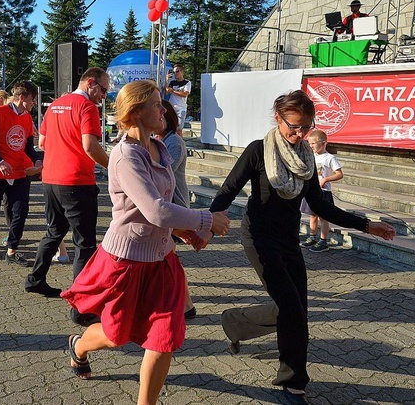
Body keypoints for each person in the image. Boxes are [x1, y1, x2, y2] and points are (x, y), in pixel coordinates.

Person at [208, 90, 395, 404]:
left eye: (306, 128)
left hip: (288, 241)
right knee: (292, 310)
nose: (299, 134)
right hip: (258, 238)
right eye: (293, 126)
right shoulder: (258, 151)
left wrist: (366, 225)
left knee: (297, 310)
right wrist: (205, 226)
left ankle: (236, 322)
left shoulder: (307, 160)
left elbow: (322, 207)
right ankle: (293, 382)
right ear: (278, 118)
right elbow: (227, 192)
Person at [61, 80, 229, 405]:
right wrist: (205, 219)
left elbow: (161, 208)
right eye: (155, 103)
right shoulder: (125, 156)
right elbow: (155, 211)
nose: (163, 108)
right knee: (115, 335)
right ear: (136, 112)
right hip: (125, 261)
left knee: (164, 338)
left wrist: (186, 232)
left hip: (162, 260)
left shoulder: (160, 147)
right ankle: (78, 345)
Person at [25, 68, 110, 307]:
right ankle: (81, 303)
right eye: (103, 90)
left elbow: (42, 141)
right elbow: (90, 146)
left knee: (54, 232)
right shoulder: (87, 107)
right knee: (84, 243)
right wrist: (115, 166)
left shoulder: (54, 105)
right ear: (90, 83)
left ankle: (35, 279)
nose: (103, 96)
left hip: (51, 179)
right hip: (76, 182)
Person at [0, 81, 42, 266]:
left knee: (20, 211)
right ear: (22, 98)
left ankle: (12, 250)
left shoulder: (27, 118)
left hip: (20, 172)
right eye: (32, 99)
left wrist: (37, 160)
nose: (34, 103)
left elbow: (28, 146)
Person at [156, 100, 197, 319]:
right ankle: (186, 305)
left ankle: (185, 305)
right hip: (167, 206)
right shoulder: (159, 140)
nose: (157, 117)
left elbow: (162, 172)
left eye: (160, 114)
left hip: (175, 206)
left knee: (168, 257)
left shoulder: (174, 142)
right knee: (168, 256)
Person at [300, 130, 343, 253]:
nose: (311, 146)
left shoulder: (330, 158)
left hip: (324, 192)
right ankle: (312, 236)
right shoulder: (311, 156)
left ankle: (323, 241)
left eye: (313, 143)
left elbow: (339, 174)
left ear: (323, 143)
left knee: (323, 217)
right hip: (311, 190)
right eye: (310, 144)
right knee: (312, 215)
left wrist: (326, 179)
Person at [164, 65, 191, 137]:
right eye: (174, 72)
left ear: (182, 72)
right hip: (172, 107)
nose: (175, 73)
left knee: (179, 129)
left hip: (181, 108)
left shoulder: (187, 82)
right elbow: (166, 92)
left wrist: (173, 91)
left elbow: (185, 94)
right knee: (169, 128)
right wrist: (167, 80)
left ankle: (180, 146)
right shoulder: (173, 82)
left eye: (177, 71)